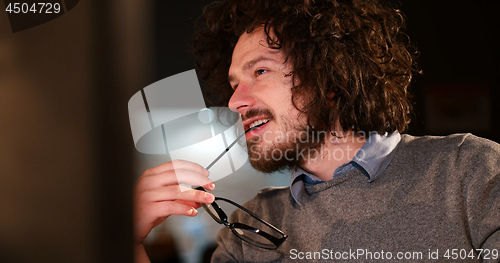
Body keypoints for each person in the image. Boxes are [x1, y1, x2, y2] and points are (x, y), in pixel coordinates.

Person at [134, 0, 500, 262]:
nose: (233, 103)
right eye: (233, 84)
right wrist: (129, 239)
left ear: (328, 75)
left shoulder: (470, 171)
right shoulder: (249, 228)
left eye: (260, 72)